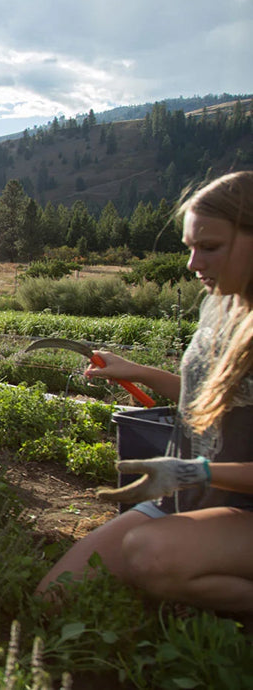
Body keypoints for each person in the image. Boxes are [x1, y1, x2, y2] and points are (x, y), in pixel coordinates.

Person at [37, 170, 253, 615]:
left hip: (238, 507)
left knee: (150, 553)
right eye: (190, 248)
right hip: (187, 498)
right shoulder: (222, 304)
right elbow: (207, 397)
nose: (193, 264)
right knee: (51, 600)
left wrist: (194, 472)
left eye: (209, 247)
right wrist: (134, 371)